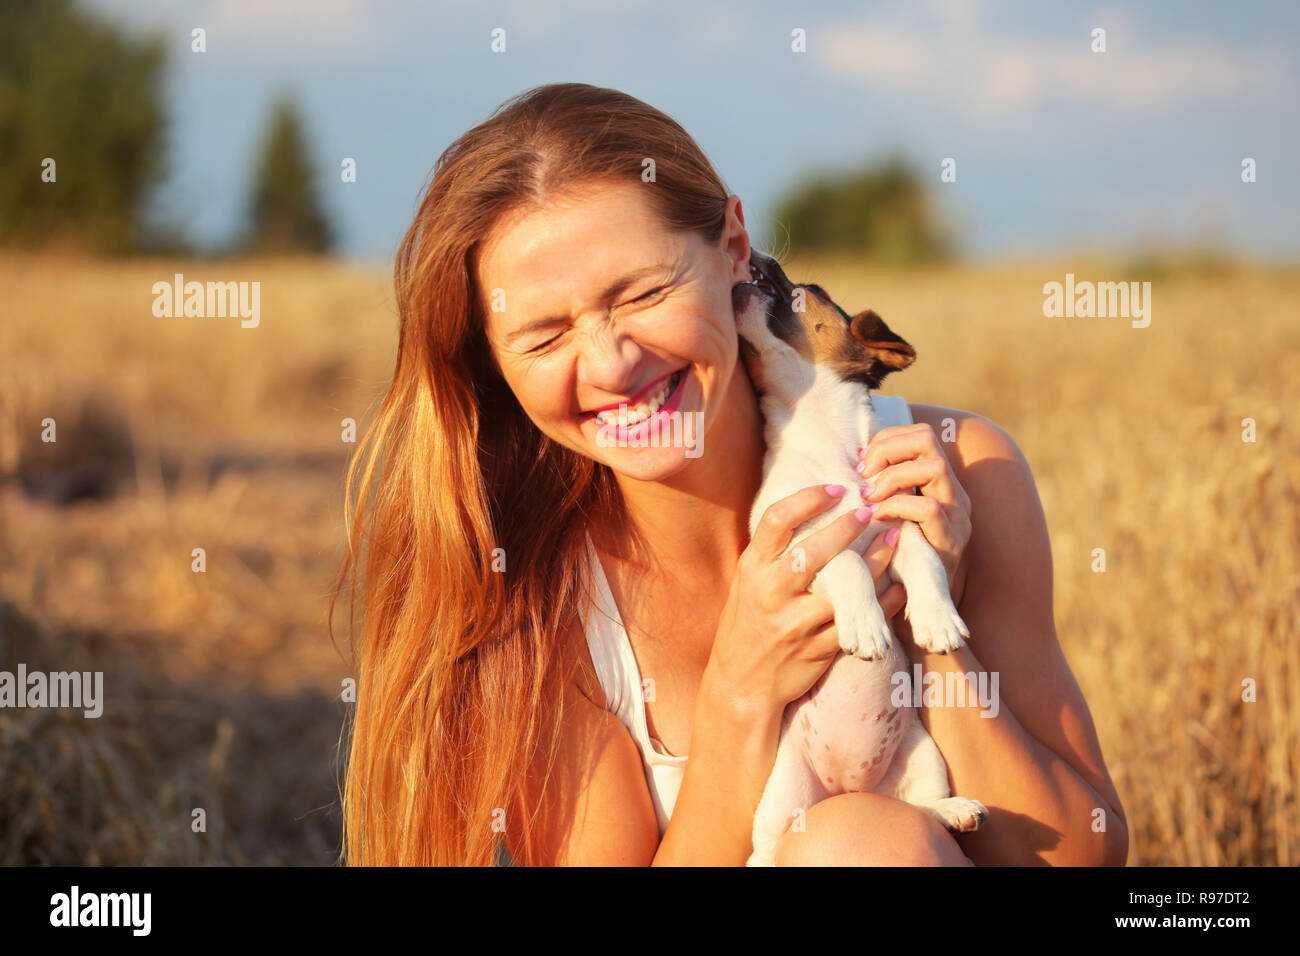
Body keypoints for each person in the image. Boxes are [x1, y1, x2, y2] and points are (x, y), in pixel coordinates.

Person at [333, 82, 1128, 867]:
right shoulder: (530, 604)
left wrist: (923, 618)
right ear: (495, 366)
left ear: (734, 248)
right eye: (543, 338)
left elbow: (1079, 855)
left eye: (644, 291)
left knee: (862, 845)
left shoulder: (959, 469)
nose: (612, 365)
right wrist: (739, 696)